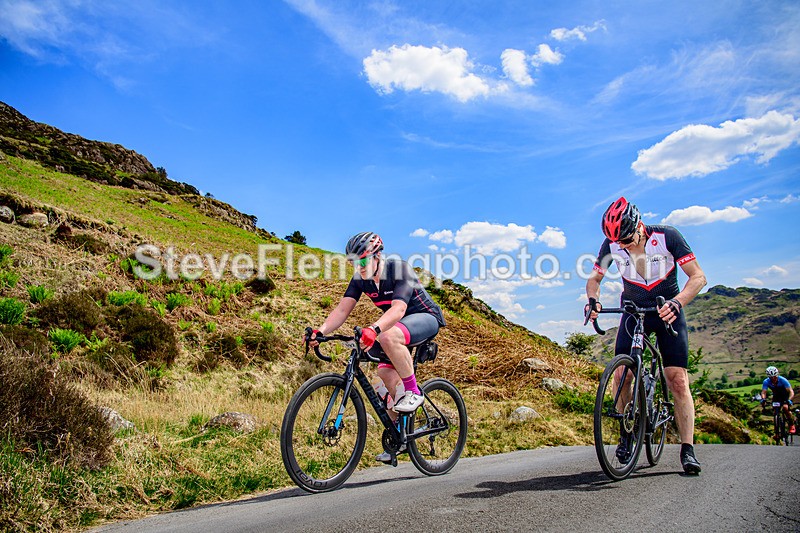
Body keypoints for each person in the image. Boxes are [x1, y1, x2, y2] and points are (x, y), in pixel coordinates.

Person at [585, 197, 707, 475]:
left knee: (676, 379)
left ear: (639, 225)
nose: (623, 246)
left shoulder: (668, 236)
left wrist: (678, 302)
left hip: (667, 311)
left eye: (627, 240)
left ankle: (687, 449)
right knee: (621, 375)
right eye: (619, 242)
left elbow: (698, 277)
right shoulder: (611, 244)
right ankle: (627, 433)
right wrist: (593, 300)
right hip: (633, 310)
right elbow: (594, 280)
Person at [307, 231, 446, 462]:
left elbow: (399, 310)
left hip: (424, 317)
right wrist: (320, 331)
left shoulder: (399, 269)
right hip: (398, 325)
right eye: (353, 262)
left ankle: (413, 392)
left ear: (377, 255)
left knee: (387, 337)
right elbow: (342, 310)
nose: (358, 266)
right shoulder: (361, 279)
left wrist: (374, 329)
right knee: (383, 373)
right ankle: (400, 434)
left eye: (362, 260)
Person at [760, 366, 796, 435]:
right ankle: (777, 429)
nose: (773, 378)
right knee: (775, 409)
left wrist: (789, 400)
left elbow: (791, 391)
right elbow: (763, 392)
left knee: (785, 408)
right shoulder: (766, 381)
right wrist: (763, 399)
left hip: (785, 395)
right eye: (771, 377)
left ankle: (791, 424)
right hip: (776, 396)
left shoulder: (783, 380)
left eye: (774, 377)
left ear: (777, 375)